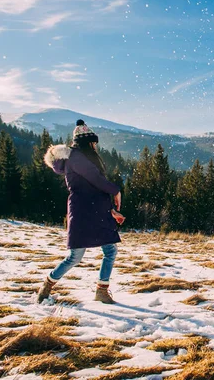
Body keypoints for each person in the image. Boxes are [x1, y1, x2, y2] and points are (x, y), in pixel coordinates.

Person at [37, 120, 125, 304]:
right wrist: (116, 190)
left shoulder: (80, 158)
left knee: (110, 250)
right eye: (93, 143)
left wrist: (111, 210)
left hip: (93, 211)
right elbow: (96, 180)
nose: (95, 146)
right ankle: (46, 286)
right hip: (83, 213)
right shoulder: (76, 158)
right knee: (75, 257)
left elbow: (94, 188)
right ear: (88, 142)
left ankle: (101, 290)